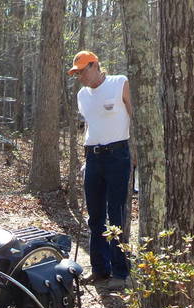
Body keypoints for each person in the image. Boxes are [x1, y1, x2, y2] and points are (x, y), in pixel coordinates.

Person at [67, 50, 133, 291]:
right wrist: (86, 157)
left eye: (83, 71)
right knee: (95, 217)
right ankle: (100, 269)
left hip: (118, 155)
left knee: (115, 213)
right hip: (93, 157)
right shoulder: (83, 95)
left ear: (95, 65)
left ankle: (120, 271)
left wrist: (135, 154)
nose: (80, 77)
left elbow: (133, 116)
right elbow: (89, 126)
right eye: (77, 73)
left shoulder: (120, 83)